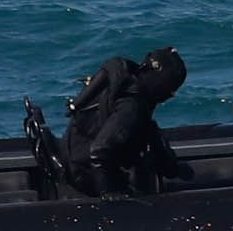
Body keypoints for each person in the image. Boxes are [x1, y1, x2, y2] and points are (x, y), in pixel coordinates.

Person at [60, 44, 190, 196]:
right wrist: (110, 193)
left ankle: (169, 167)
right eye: (171, 89)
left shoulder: (122, 78)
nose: (170, 95)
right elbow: (99, 151)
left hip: (72, 151)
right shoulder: (131, 107)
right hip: (83, 171)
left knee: (149, 131)